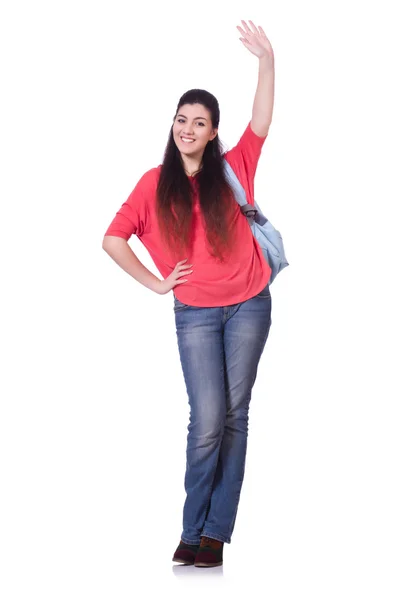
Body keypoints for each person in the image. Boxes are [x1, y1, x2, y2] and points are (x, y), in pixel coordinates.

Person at [102, 20, 275, 568]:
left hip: (250, 302)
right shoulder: (154, 183)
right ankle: (190, 528)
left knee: (234, 415)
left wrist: (267, 60)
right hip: (195, 313)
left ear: (213, 130)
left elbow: (263, 120)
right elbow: (112, 238)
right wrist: (157, 284)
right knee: (207, 418)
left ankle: (214, 537)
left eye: (199, 122)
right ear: (173, 125)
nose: (188, 129)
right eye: (182, 120)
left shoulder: (231, 168)